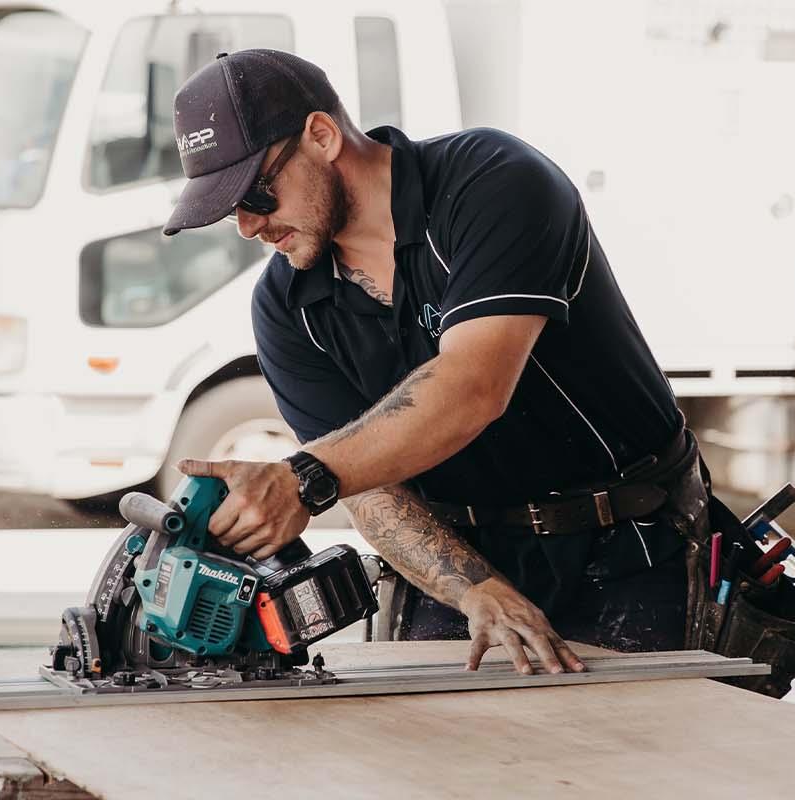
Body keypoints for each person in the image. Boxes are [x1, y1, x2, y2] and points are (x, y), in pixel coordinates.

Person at [163, 49, 708, 676]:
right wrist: (475, 588)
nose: (249, 225)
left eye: (256, 192)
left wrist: (303, 479)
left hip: (630, 541)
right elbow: (369, 492)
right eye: (228, 209)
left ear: (321, 135)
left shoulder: (493, 181)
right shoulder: (287, 307)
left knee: (633, 760)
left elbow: (474, 385)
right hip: (459, 560)